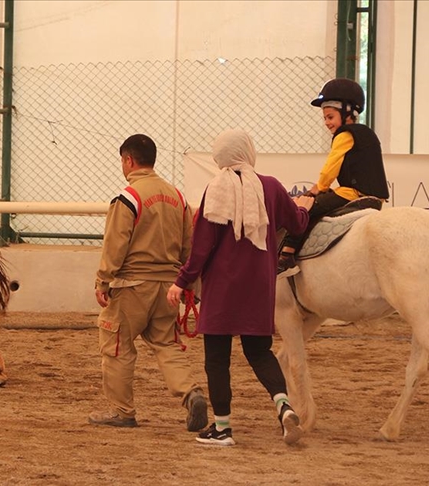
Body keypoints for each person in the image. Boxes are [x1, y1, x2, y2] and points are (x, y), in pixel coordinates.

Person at [167, 129, 314, 446]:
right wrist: (304, 205)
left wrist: (182, 281)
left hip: (223, 287)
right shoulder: (272, 187)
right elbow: (298, 223)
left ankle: (222, 428)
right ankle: (284, 407)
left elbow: (202, 246)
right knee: (259, 353)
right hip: (259, 285)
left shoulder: (215, 190)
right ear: (248, 151)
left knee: (217, 358)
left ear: (220, 157)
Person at [88, 134, 208, 431]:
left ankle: (122, 411)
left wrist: (103, 281)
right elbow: (188, 246)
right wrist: (187, 284)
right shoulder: (177, 197)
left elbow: (115, 245)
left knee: (117, 347)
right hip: (169, 286)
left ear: (128, 161)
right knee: (167, 345)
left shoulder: (128, 197)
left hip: (131, 287)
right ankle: (191, 393)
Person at [278, 78, 389, 275]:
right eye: (325, 118)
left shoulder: (344, 135)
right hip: (374, 197)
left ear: (347, 112)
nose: (327, 123)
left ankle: (287, 254)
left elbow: (331, 167)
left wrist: (318, 188)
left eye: (330, 117)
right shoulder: (366, 134)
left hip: (354, 194)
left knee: (307, 209)